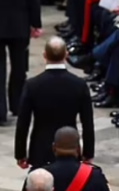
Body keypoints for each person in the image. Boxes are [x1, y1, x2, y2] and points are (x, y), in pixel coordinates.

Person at [15, 38, 94, 170]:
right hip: (70, 147)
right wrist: (88, 153)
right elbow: (87, 122)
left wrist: (20, 154)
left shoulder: (32, 85)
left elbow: (23, 122)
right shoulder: (79, 85)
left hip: (40, 149)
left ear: (44, 55)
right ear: (66, 55)